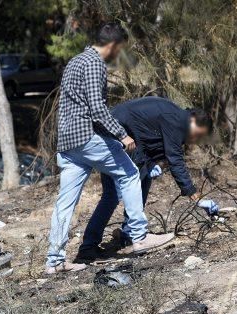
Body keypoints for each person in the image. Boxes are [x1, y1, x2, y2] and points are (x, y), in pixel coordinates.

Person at [46, 23, 174, 275]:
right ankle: (139, 236)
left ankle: (54, 261)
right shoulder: (94, 63)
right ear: (113, 45)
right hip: (85, 137)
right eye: (120, 49)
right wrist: (121, 134)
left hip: (67, 142)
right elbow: (96, 107)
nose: (118, 55)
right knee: (129, 174)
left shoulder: (75, 61)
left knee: (65, 202)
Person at [76, 97, 218, 261]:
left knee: (119, 191)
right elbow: (175, 160)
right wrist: (195, 197)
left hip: (112, 131)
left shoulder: (174, 114)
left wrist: (151, 165)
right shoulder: (178, 120)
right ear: (195, 122)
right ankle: (128, 237)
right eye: (197, 135)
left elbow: (148, 144)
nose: (193, 140)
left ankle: (100, 243)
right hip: (118, 133)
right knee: (120, 190)